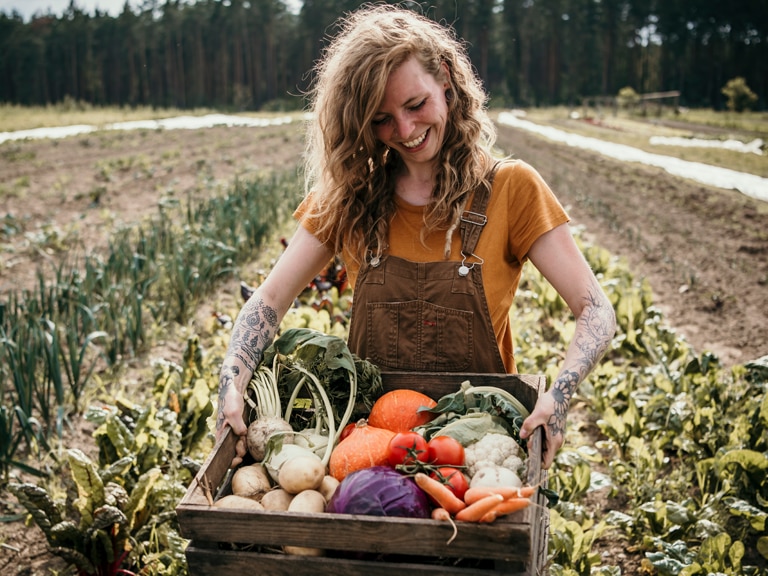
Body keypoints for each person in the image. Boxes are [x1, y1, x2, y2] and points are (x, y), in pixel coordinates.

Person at [217, 4, 616, 470]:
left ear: (445, 80)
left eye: (415, 105)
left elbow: (596, 309)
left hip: (475, 460)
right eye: (381, 119)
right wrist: (233, 376)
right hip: (370, 452)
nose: (405, 131)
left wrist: (561, 394)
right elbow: (270, 298)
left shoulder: (511, 189)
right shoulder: (351, 198)